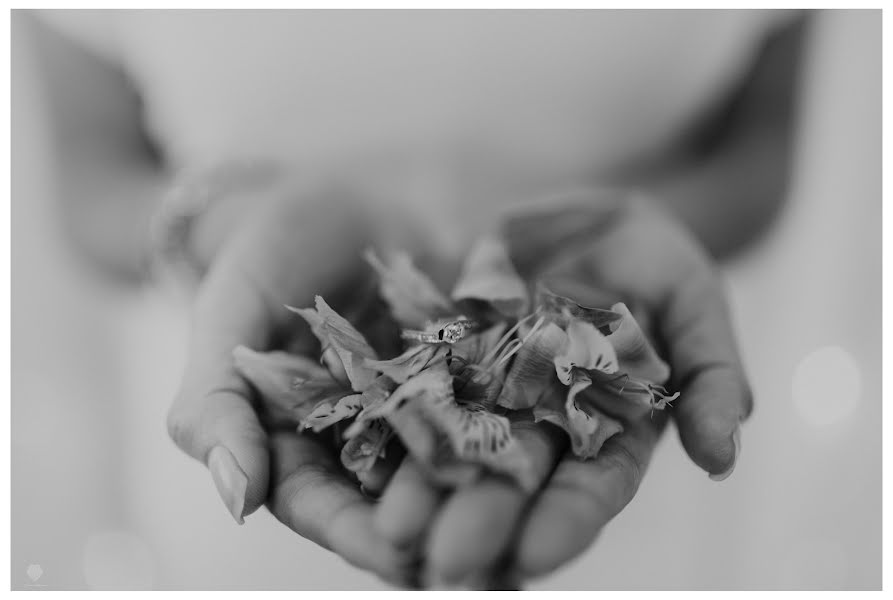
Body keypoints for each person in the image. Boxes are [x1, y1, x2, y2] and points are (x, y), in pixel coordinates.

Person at [23, 9, 806, 588]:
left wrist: (629, 237)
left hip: (639, 507)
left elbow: (756, 153)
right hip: (249, 451)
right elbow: (92, 173)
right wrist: (219, 224)